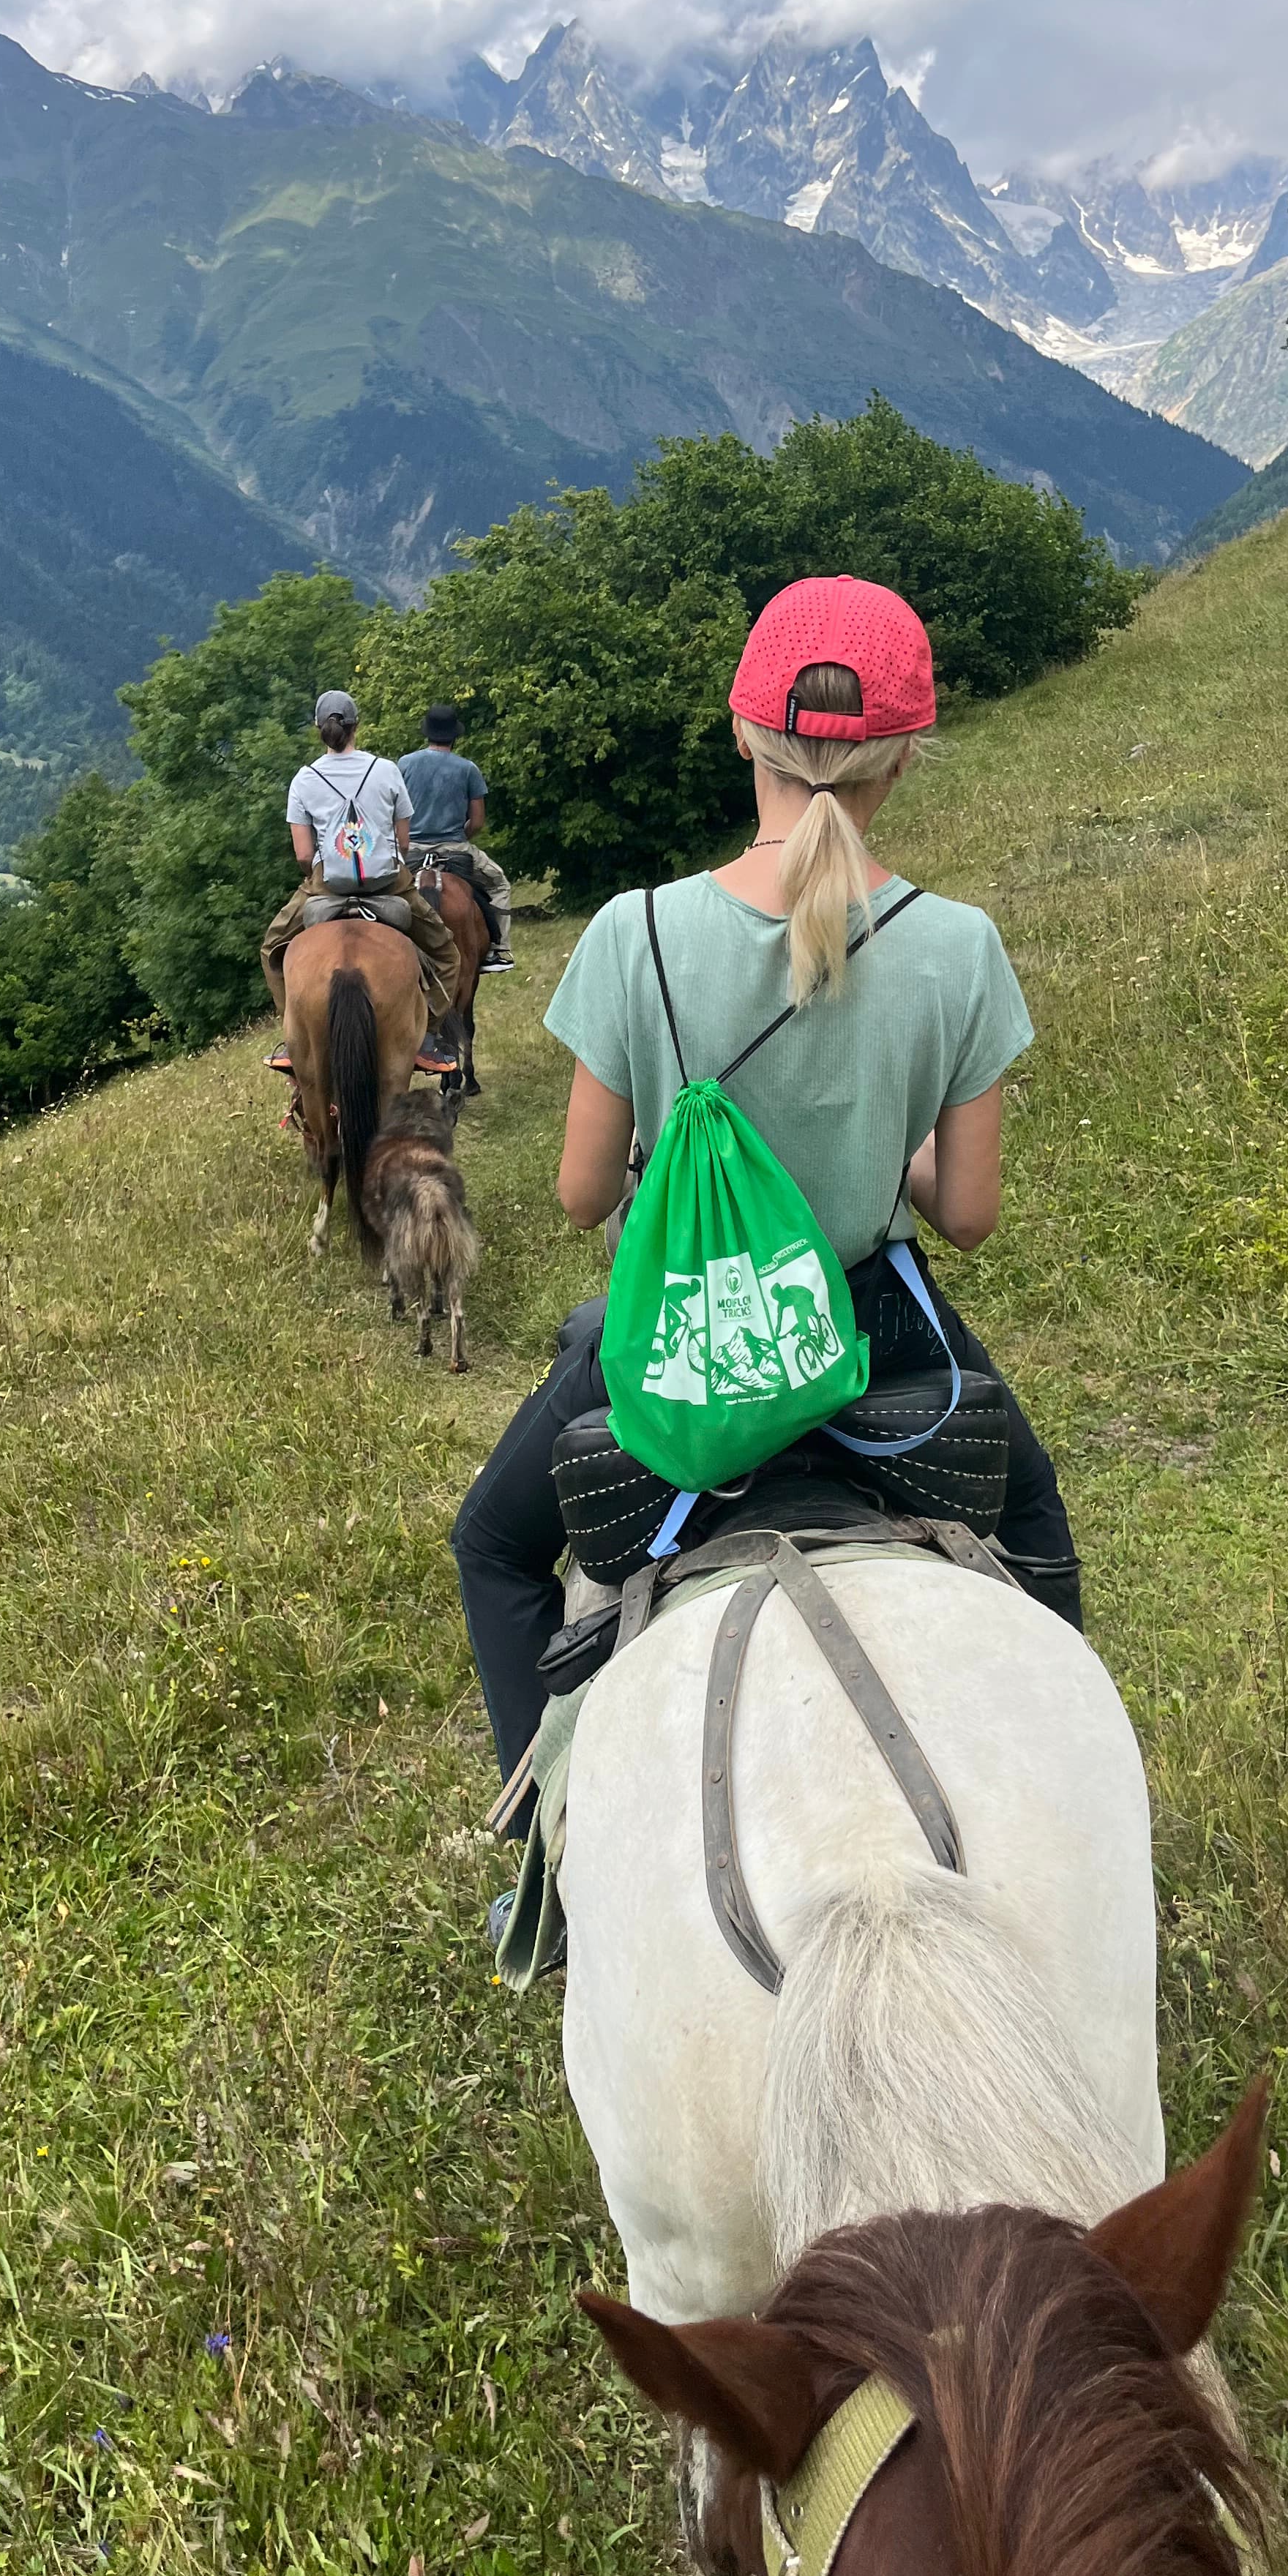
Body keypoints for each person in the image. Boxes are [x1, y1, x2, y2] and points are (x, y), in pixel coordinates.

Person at [452, 574, 1082, 1828]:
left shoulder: (631, 934)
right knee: (1030, 1514)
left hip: (688, 1334)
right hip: (873, 1328)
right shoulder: (958, 946)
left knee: (494, 1543)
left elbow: (582, 1195)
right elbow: (963, 1213)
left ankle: (545, 1833)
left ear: (741, 733)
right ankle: (1064, 1795)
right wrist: (875, 1155)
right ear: (903, 757)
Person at [261, 689, 464, 1077]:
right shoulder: (386, 770)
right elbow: (403, 842)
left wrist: (319, 876)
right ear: (357, 726)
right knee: (447, 955)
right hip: (389, 882)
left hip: (328, 886)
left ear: (319, 730)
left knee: (272, 948)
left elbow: (304, 855)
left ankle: (295, 1041)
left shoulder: (304, 780)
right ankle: (426, 1040)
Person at [398, 702, 515, 970]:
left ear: (427, 733)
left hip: (411, 850)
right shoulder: (468, 769)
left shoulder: (404, 764)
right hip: (455, 848)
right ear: (454, 735)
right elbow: (478, 821)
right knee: (499, 884)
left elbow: (394, 812)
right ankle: (498, 950)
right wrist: (460, 834)